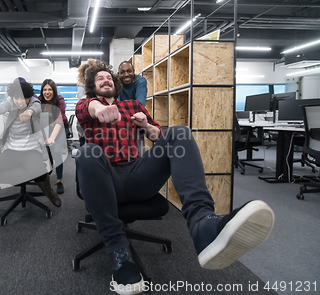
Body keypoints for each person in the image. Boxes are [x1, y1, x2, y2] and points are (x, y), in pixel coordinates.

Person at [74, 59, 275, 294]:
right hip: (106, 179)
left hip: (138, 174)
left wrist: (147, 128)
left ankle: (202, 224)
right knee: (87, 151)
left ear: (115, 83)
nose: (105, 80)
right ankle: (119, 251)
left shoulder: (131, 105)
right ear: (92, 86)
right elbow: (86, 110)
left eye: (108, 77)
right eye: (99, 79)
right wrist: (100, 109)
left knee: (179, 132)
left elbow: (157, 135)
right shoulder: (86, 105)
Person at [0, 80, 61, 209]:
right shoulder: (11, 102)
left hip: (31, 151)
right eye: (16, 98)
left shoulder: (34, 101)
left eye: (24, 98)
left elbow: (36, 108)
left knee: (40, 172)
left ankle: (49, 192)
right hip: (11, 151)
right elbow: (1, 107)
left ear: (28, 97)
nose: (20, 102)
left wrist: (29, 112)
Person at [38, 78, 69, 194]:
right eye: (44, 89)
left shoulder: (59, 99)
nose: (47, 92)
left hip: (60, 128)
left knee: (56, 150)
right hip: (47, 128)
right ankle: (42, 178)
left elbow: (59, 120)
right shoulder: (39, 100)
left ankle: (59, 180)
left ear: (54, 91)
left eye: (50, 89)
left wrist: (52, 138)